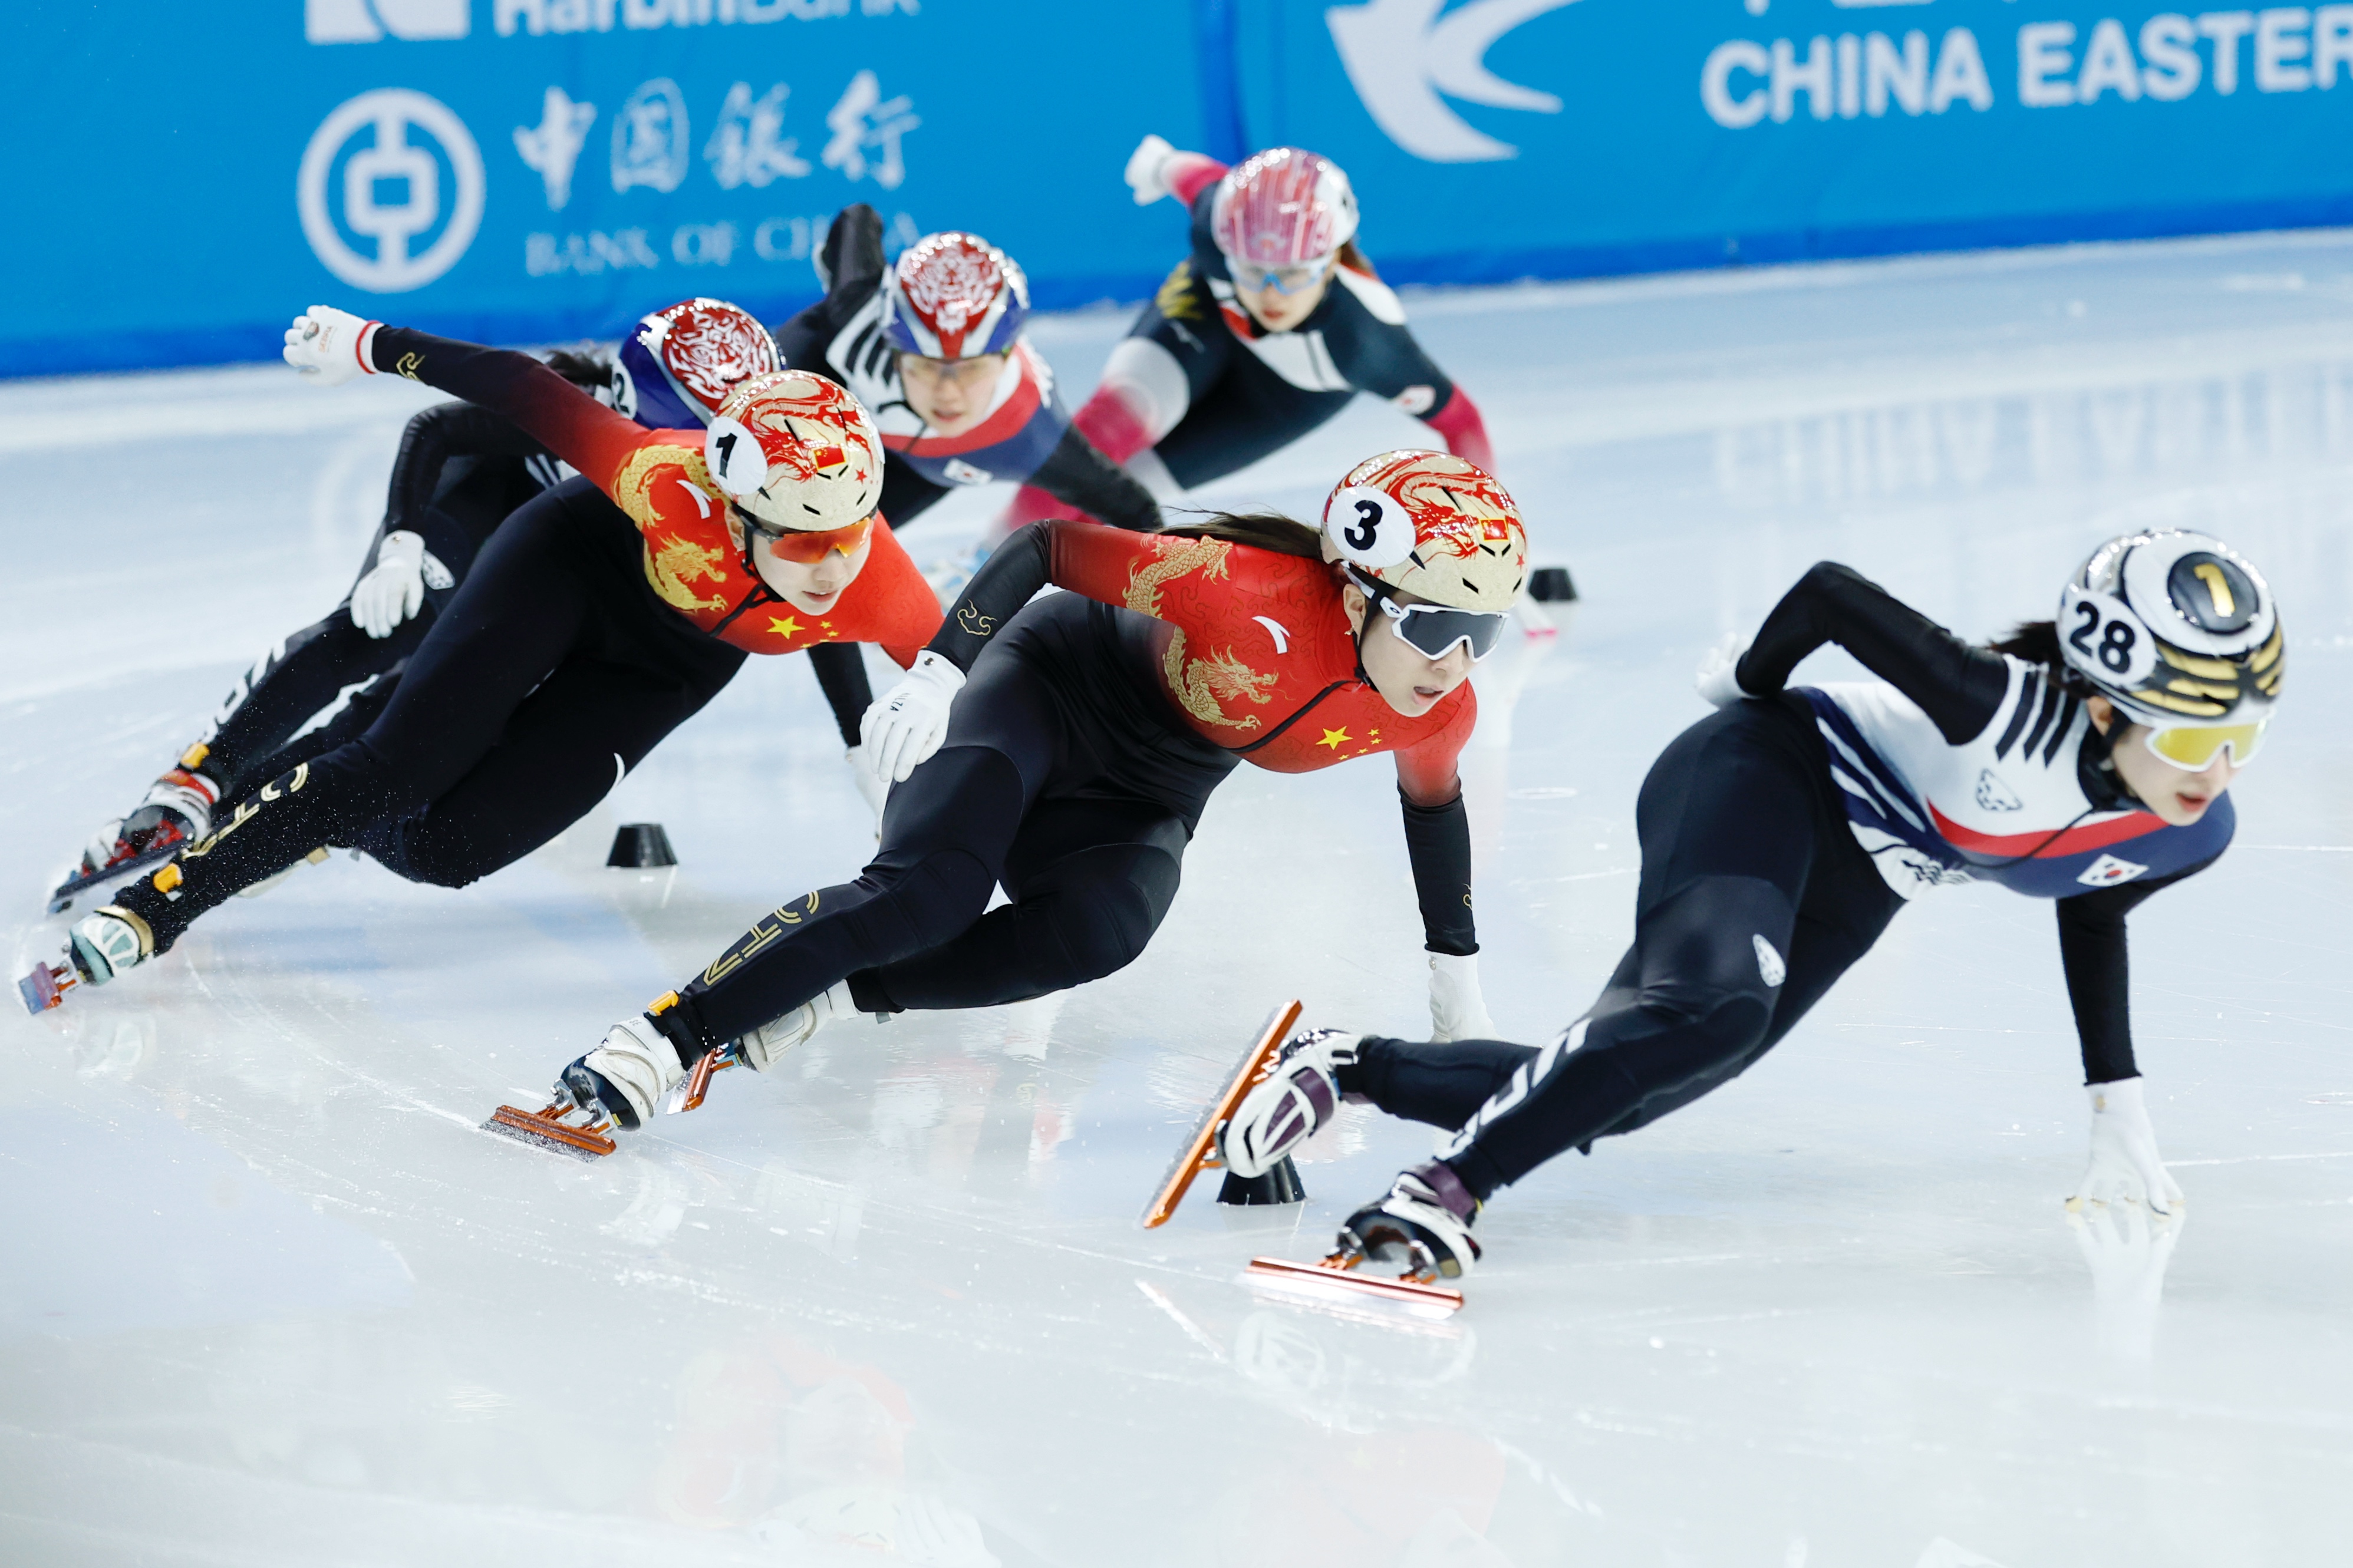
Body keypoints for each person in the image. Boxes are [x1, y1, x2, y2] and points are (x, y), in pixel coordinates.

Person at [1217, 530, 2282, 1282]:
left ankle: (1345, 1068)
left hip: (1873, 870)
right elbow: (1830, 594)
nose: (2218, 770)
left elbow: (2093, 905)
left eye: (2243, 735)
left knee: (1633, 1085)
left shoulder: (2189, 830)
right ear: (2102, 706)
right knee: (1708, 1013)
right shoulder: (1995, 709)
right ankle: (1440, 1191)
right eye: (2193, 737)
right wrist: (1750, 678)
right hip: (1766, 770)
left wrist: (2115, 1105)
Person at [519, 448, 1529, 1146]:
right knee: (926, 894)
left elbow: (1432, 815)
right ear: (1354, 593)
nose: (1453, 661)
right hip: (1045, 691)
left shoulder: (1439, 710)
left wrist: (1458, 984)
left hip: (1150, 787)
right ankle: (660, 1038)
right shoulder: (1238, 586)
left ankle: (834, 992)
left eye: (1480, 633)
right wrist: (939, 673)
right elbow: (1048, 545)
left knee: (1100, 933)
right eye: (1432, 625)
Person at [31, 305, 941, 1006]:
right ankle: (157, 905)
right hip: (572, 563)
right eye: (801, 542)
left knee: (445, 848)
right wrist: (369, 344)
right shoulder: (661, 476)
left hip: (668, 665)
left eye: (851, 535)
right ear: (736, 508)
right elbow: (514, 386)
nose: (833, 568)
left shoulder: (879, 584)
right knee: (394, 768)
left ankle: (328, 793)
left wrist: (915, 742)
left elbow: (987, 687)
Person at [48, 345, 611, 913]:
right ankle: (198, 776)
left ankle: (244, 811)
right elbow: (434, 428)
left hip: (539, 564)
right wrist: (401, 543)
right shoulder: (593, 408)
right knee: (382, 627)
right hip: (475, 508)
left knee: (401, 713)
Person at [1002, 139, 1494, 532]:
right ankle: (987, 557)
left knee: (1127, 491)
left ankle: (1029, 570)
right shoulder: (1218, 222)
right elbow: (1189, 174)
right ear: (1229, 247)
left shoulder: (1366, 342)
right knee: (1108, 428)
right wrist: (1159, 163)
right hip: (1207, 315)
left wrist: (1486, 526)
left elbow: (1463, 423)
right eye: (1253, 269)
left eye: (1294, 274)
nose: (1270, 293)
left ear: (1331, 264)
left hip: (1286, 394)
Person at [772, 207, 1160, 597]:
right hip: (829, 408)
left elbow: (1137, 511)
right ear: (894, 351)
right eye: (926, 365)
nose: (948, 392)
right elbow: (857, 221)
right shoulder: (854, 326)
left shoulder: (1030, 431)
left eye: (971, 369)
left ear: (1006, 358)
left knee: (821, 549)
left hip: (919, 468)